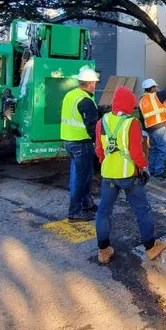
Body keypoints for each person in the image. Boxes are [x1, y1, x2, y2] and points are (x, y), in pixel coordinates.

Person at [93, 86, 166, 264]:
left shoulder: (101, 122)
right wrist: (144, 167)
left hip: (108, 175)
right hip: (129, 175)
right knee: (142, 210)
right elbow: (136, 153)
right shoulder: (132, 123)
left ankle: (103, 251)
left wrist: (105, 161)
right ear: (129, 104)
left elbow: (99, 149)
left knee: (104, 212)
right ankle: (151, 247)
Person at [60, 66, 101, 221]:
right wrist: (99, 144)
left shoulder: (70, 95)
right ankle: (74, 212)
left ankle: (87, 203)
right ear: (90, 84)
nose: (95, 85)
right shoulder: (86, 101)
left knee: (85, 175)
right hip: (82, 143)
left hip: (69, 141)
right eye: (95, 83)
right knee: (81, 178)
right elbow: (92, 127)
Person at [138, 75, 166, 179]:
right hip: (159, 126)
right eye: (155, 87)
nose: (156, 88)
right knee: (162, 149)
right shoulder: (156, 95)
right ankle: (158, 172)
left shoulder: (141, 100)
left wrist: (144, 130)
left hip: (149, 128)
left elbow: (141, 117)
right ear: (152, 88)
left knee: (153, 149)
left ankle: (151, 170)